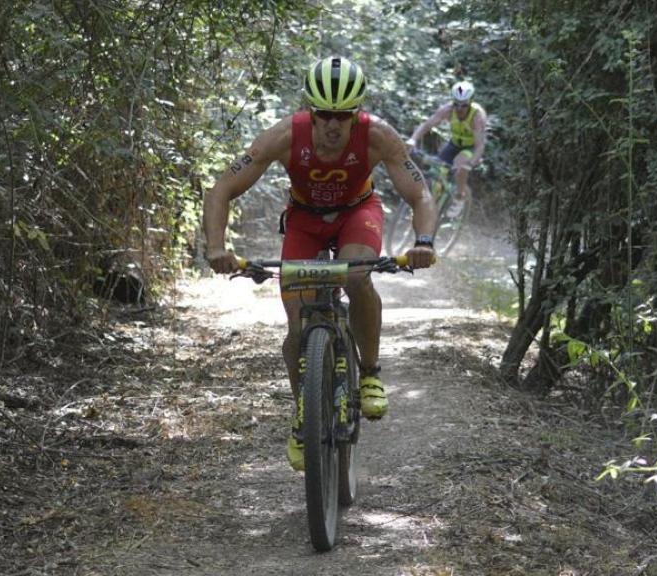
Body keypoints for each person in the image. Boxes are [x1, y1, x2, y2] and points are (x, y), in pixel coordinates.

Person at [203, 56, 437, 471]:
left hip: (357, 214)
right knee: (297, 327)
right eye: (324, 115)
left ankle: (369, 373)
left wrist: (423, 241)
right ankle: (303, 414)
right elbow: (222, 187)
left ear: (356, 113)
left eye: (343, 116)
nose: (333, 125)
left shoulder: (378, 136)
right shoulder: (283, 136)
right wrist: (217, 247)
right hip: (304, 221)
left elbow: (419, 194)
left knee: (356, 274)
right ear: (310, 111)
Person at [405, 80, 488, 216]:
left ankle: (459, 198)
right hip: (454, 144)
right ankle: (431, 204)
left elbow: (480, 146)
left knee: (460, 166)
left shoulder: (477, 117)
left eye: (464, 105)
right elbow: (427, 125)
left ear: (471, 102)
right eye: (456, 104)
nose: (459, 108)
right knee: (437, 170)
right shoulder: (447, 110)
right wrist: (413, 139)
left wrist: (471, 163)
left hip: (471, 147)